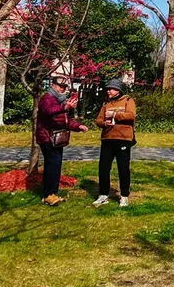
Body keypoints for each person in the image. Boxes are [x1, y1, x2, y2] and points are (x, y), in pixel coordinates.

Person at [35, 72, 88, 206]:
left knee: (55, 166)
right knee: (53, 165)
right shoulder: (47, 98)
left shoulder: (59, 101)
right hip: (47, 137)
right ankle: (49, 194)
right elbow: (48, 111)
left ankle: (52, 193)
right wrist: (65, 107)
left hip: (56, 138)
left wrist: (78, 126)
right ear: (53, 85)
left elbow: (64, 120)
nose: (63, 89)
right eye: (60, 86)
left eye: (64, 86)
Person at [93, 78, 137, 207]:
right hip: (107, 139)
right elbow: (98, 119)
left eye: (111, 89)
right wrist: (103, 123)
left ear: (118, 90)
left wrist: (115, 115)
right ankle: (103, 195)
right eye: (108, 89)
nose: (108, 91)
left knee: (123, 168)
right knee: (103, 168)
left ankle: (124, 196)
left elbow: (131, 116)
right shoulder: (106, 104)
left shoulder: (129, 101)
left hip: (123, 139)